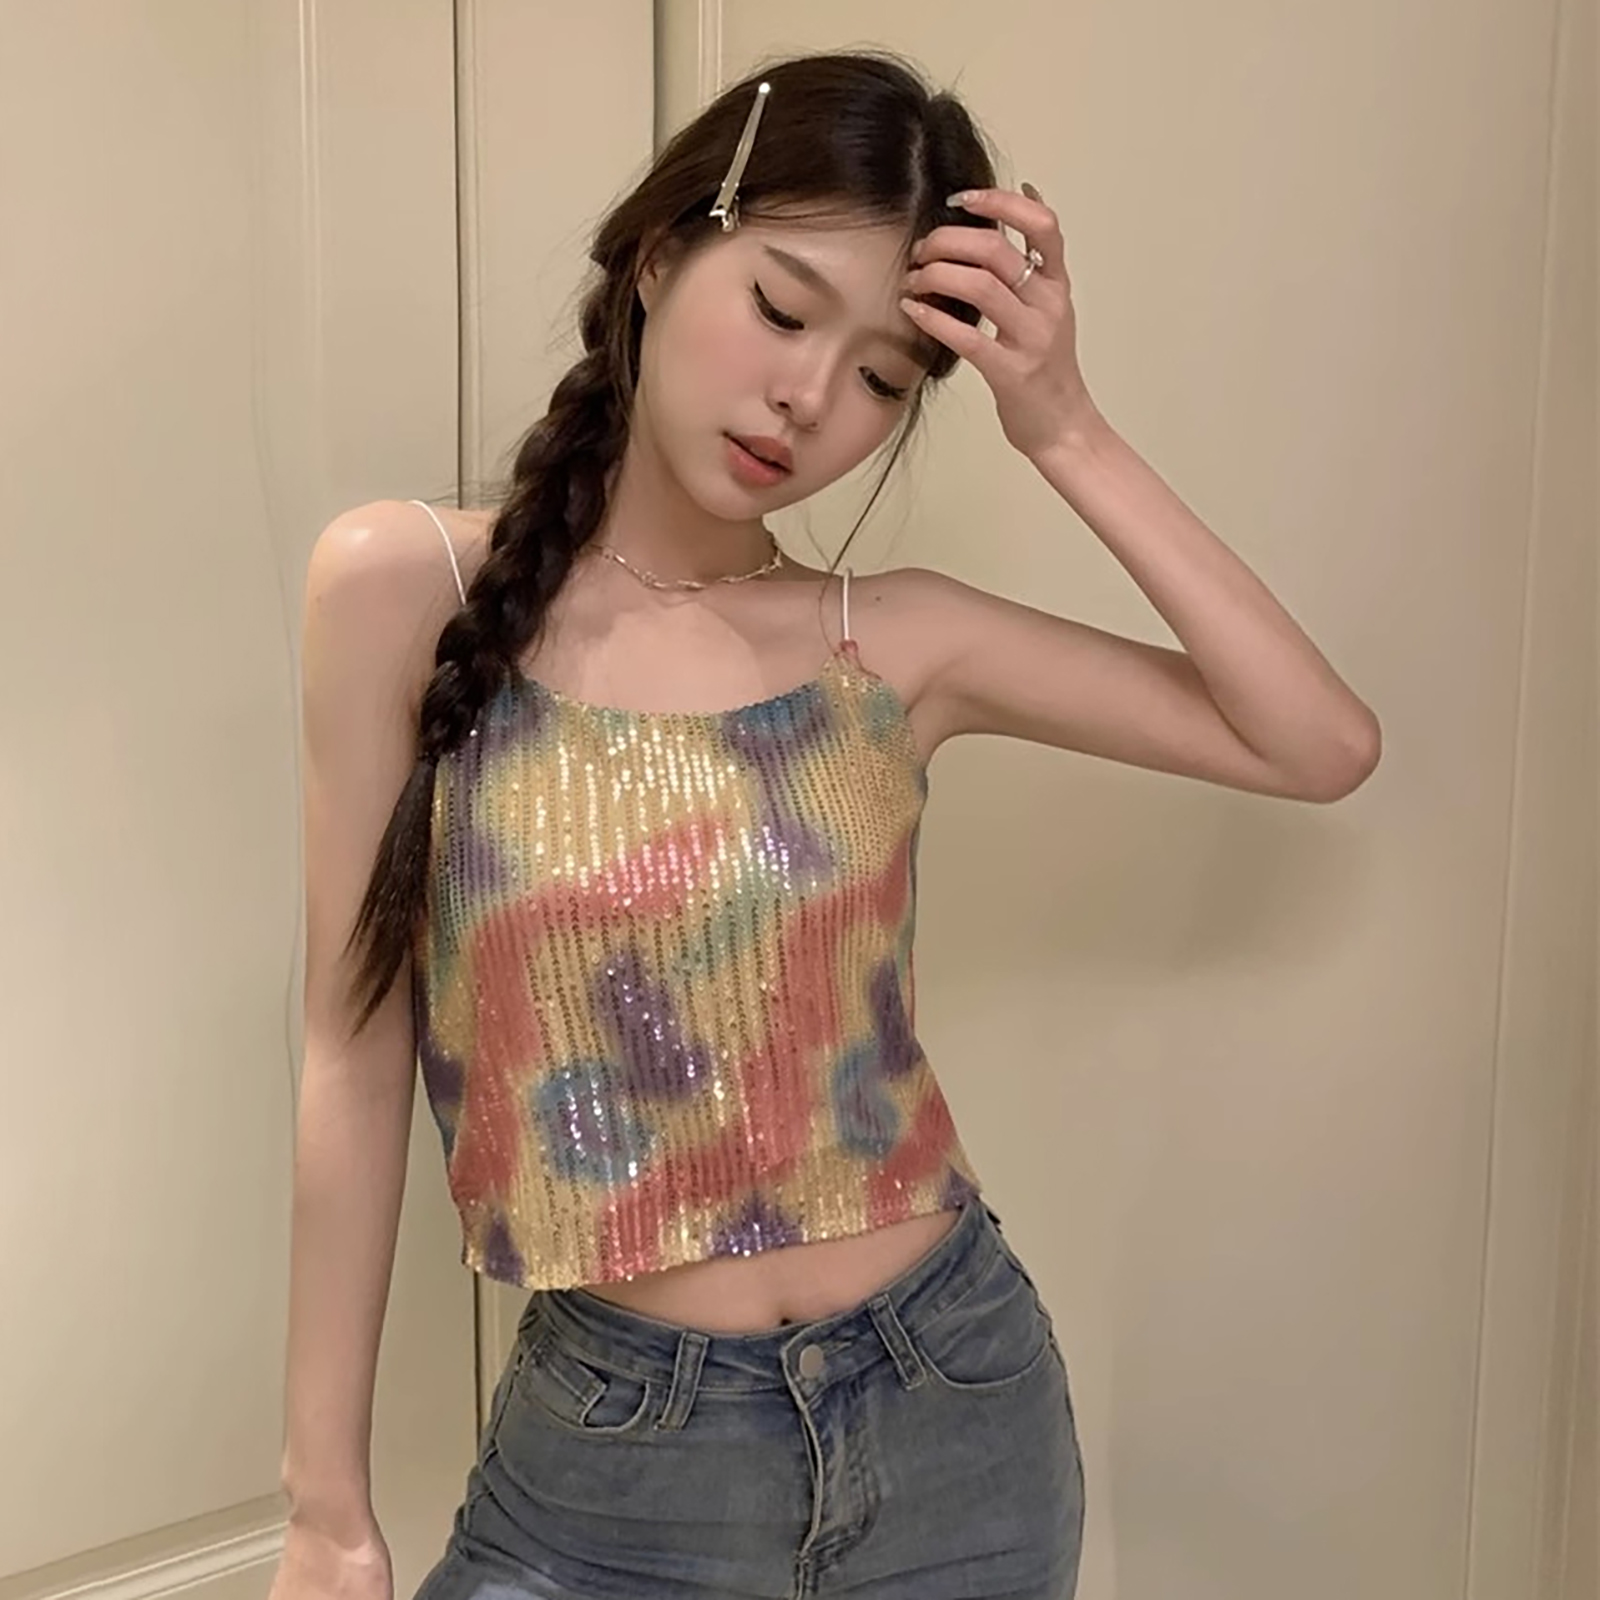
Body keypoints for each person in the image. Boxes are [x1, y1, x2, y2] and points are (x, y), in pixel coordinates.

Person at [271, 47, 1380, 1600]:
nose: (808, 400)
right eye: (784, 310)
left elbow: (1318, 743)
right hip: (613, 1461)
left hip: (955, 1407)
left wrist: (1064, 427)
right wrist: (324, 1505)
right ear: (659, 252)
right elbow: (352, 1046)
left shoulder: (894, 642)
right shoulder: (406, 588)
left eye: (882, 378)